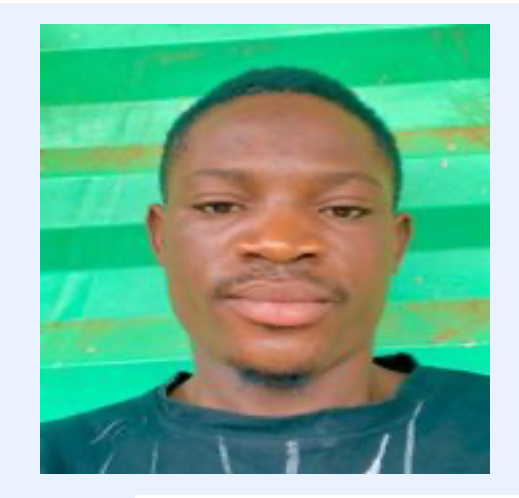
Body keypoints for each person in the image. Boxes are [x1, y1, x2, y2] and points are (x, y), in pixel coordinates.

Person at [40, 67, 489, 474]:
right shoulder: (52, 463)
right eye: (219, 205)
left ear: (396, 244)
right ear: (161, 238)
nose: (281, 244)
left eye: (343, 209)